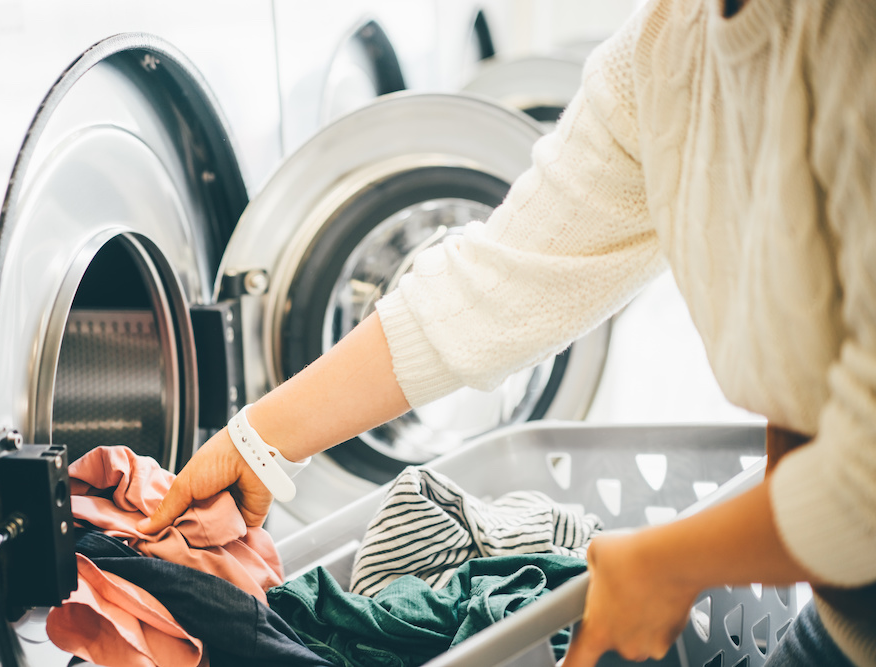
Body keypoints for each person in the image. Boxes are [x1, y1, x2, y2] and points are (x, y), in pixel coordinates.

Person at [138, 0, 876, 664]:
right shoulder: (671, 46)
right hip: (844, 615)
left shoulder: (849, 38)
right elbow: (499, 283)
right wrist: (257, 440)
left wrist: (670, 561)